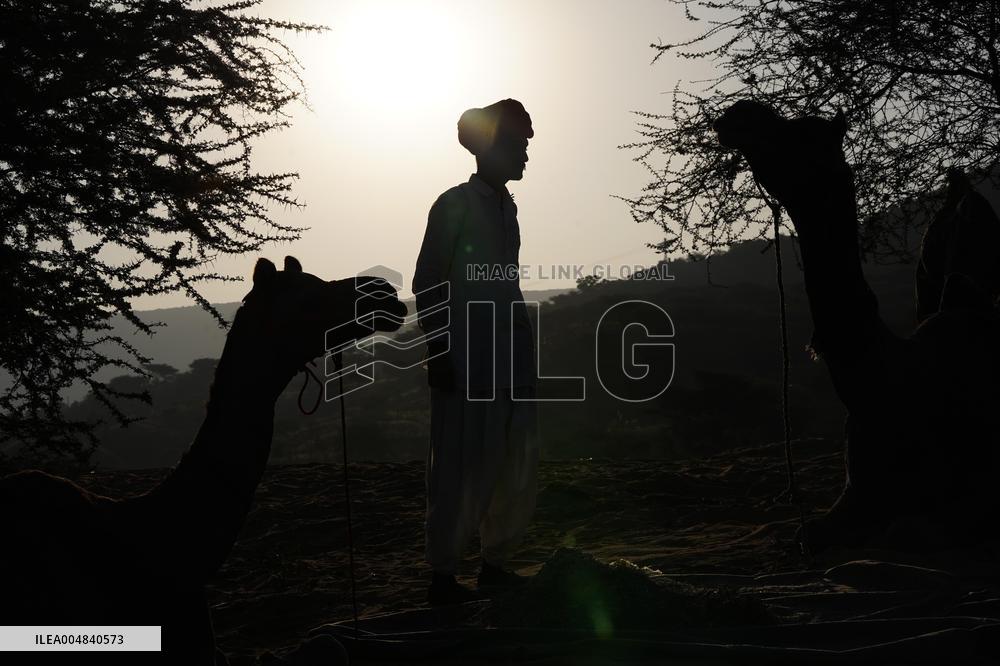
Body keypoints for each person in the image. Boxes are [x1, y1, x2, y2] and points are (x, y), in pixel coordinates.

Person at [412, 99, 539, 605]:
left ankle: (494, 565)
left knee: (512, 464)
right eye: (518, 145)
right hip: (466, 361)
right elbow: (428, 282)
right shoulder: (454, 204)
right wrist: (439, 351)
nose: (526, 155)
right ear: (492, 147)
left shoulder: (507, 207)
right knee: (459, 469)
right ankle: (443, 577)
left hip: (510, 357)